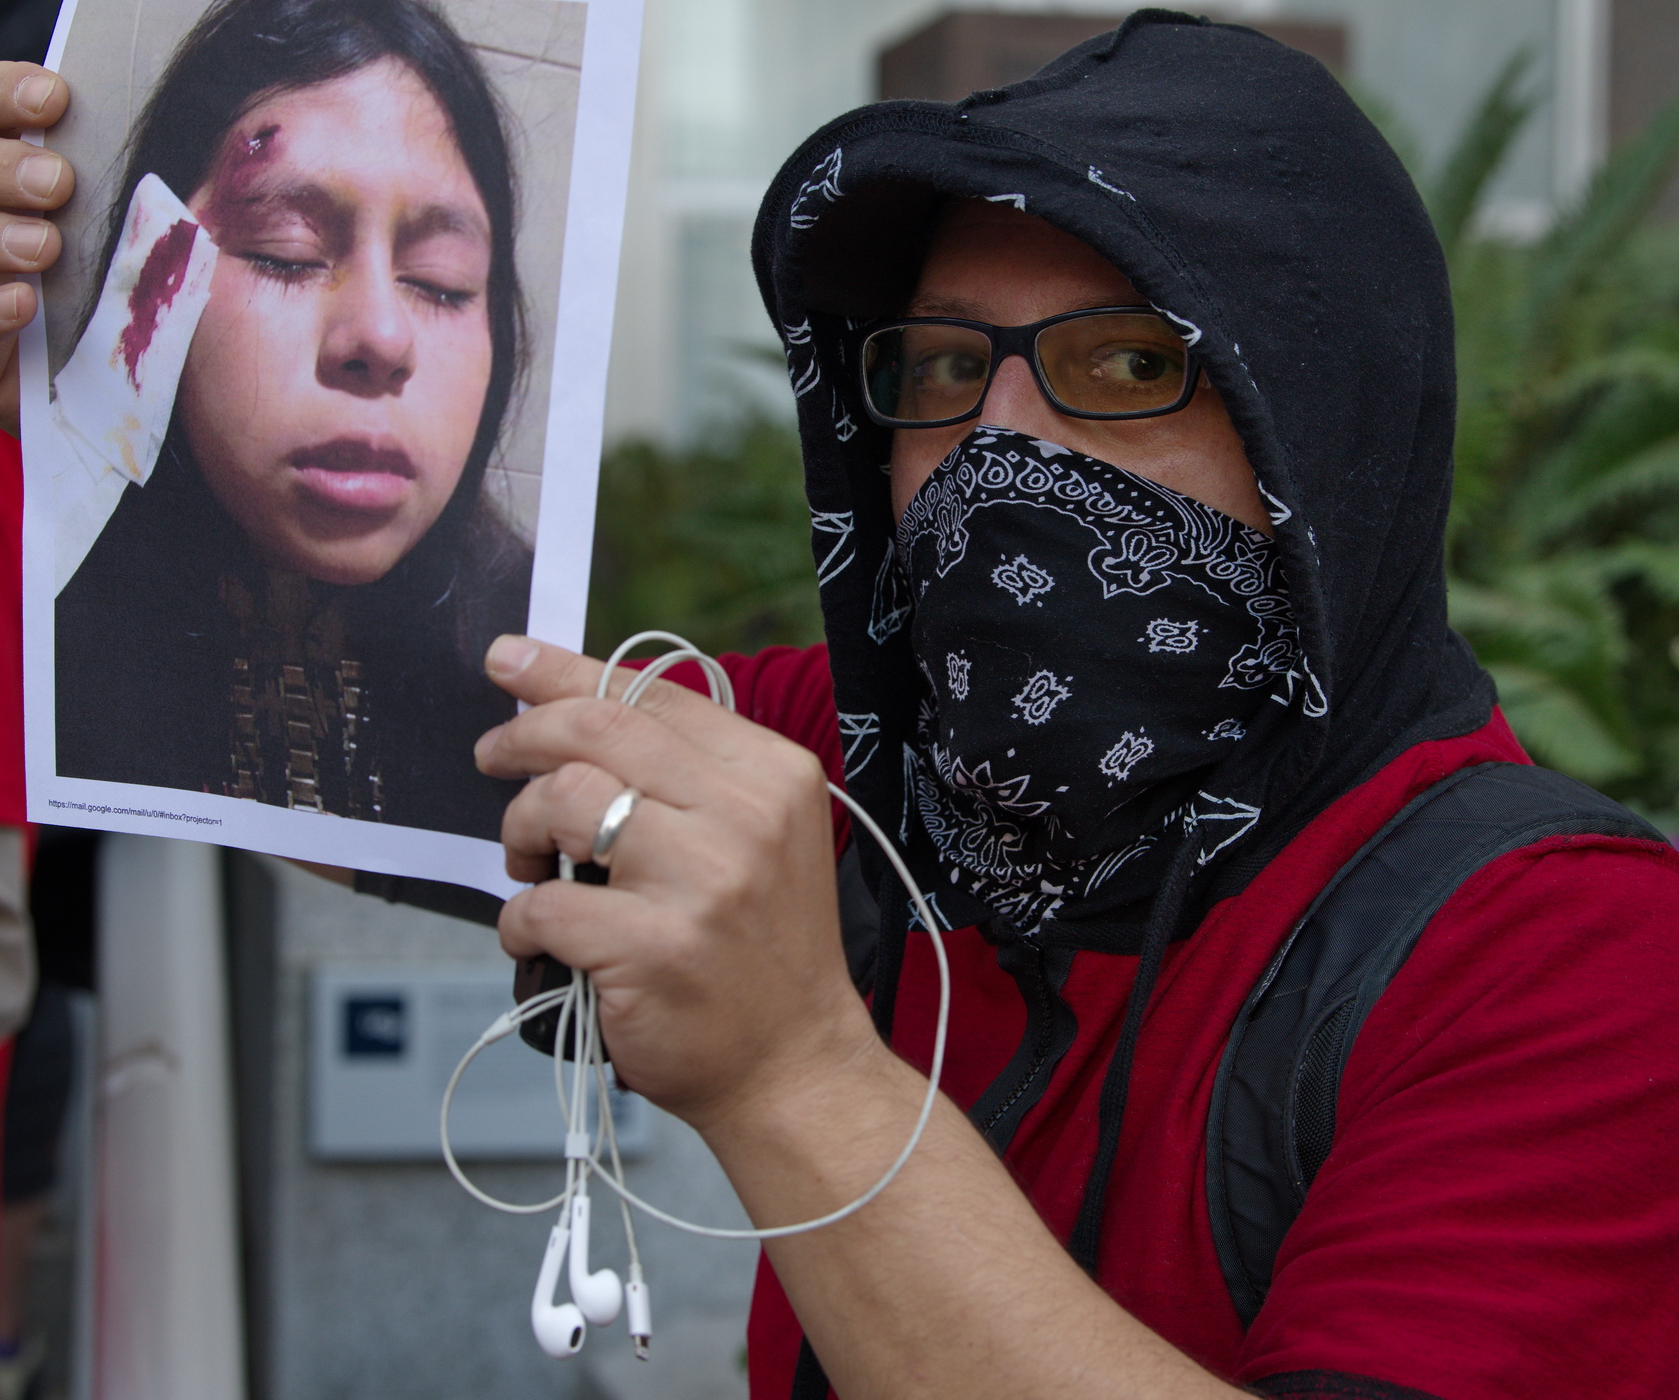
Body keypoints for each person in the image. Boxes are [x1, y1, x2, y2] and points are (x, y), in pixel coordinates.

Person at [466, 15, 1679, 1400]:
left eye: (1121, 367)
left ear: (1324, 426)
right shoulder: (867, 772)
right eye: (935, 370)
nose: (995, 449)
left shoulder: (1571, 957)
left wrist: (793, 1076)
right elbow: (403, 733)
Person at [51, 0, 530, 839]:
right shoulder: (43, 610)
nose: (380, 336)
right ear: (153, 272)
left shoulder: (545, 659)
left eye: (442, 280)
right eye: (286, 254)